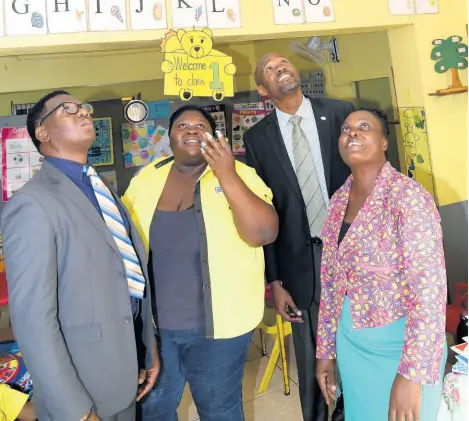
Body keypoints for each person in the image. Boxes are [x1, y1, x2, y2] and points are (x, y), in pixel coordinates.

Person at [1, 91, 158, 421]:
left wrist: (147, 351)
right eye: (68, 109)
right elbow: (32, 322)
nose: (84, 112)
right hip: (82, 390)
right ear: (43, 133)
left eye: (83, 108)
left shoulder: (100, 189)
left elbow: (125, 278)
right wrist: (74, 410)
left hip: (126, 370)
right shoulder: (32, 205)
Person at [123, 104, 278, 421]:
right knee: (153, 409)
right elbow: (123, 242)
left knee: (218, 409)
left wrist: (227, 174)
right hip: (156, 329)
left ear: (214, 136)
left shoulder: (242, 175)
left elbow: (263, 233)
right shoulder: (145, 180)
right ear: (169, 138)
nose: (191, 129)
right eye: (182, 126)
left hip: (221, 328)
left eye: (200, 125)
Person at [316, 109, 447, 421]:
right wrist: (325, 351)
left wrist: (412, 375)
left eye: (365, 127)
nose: (353, 134)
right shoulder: (338, 201)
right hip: (351, 343)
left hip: (401, 347)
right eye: (346, 129)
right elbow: (331, 282)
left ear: (384, 141)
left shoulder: (409, 198)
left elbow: (430, 292)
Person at [243, 53, 354, 421]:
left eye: (284, 63)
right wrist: (274, 280)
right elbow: (266, 209)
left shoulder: (340, 114)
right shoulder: (257, 138)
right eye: (270, 69)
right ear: (263, 89)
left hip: (353, 250)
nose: (282, 69)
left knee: (358, 342)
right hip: (301, 262)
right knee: (312, 357)